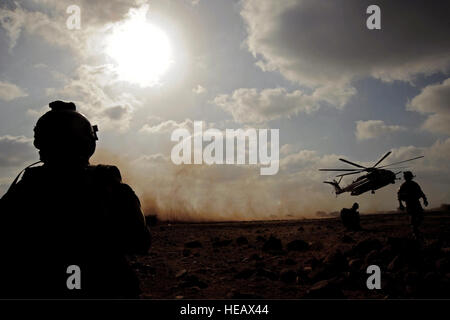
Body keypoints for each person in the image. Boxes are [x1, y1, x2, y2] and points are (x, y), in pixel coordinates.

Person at [0, 101, 151, 298]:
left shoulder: (22, 191)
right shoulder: (110, 187)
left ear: (41, 143)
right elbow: (140, 243)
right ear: (88, 143)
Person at [398, 171, 428, 239]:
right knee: (413, 217)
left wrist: (425, 199)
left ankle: (415, 229)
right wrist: (401, 204)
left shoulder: (414, 184)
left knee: (420, 216)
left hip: (416, 202)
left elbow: (421, 192)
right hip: (410, 203)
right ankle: (415, 232)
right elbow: (399, 195)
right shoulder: (403, 185)